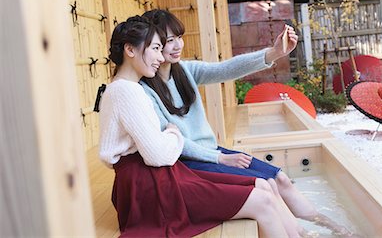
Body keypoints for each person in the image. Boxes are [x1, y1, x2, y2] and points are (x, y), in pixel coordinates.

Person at [140, 9, 356, 236]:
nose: (177, 46)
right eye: (169, 41)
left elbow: (226, 69)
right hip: (190, 163)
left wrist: (273, 53)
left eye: (179, 38)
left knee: (280, 178)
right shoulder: (146, 91)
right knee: (267, 185)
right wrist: (220, 158)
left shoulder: (184, 70)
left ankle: (332, 227)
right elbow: (175, 142)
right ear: (153, 45)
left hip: (211, 151)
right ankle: (302, 233)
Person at [98, 15, 305, 237]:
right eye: (158, 47)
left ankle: (306, 231)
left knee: (266, 188)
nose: (161, 56)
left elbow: (225, 69)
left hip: (159, 174)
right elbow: (157, 154)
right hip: (150, 183)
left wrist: (273, 54)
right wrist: (173, 134)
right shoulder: (129, 91)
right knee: (263, 198)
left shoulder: (133, 86)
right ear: (130, 50)